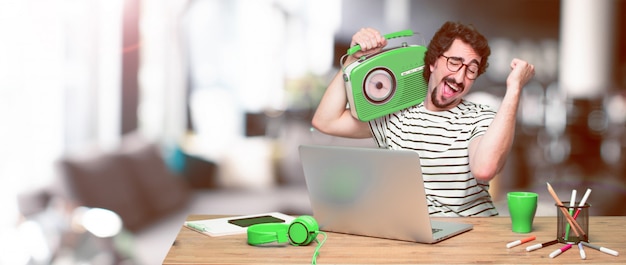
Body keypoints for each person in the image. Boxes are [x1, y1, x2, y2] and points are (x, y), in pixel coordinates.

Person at [311, 21, 535, 217]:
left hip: (472, 238)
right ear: (433, 62)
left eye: (471, 70)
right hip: (414, 236)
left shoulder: (481, 117)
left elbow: (485, 168)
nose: (459, 77)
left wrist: (514, 88)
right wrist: (352, 59)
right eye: (454, 62)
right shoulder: (394, 114)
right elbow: (325, 121)